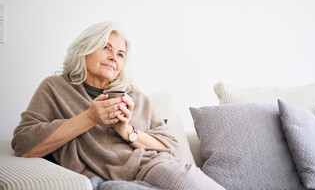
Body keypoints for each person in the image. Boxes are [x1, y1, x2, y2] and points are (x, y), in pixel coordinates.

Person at [11, 21, 224, 190]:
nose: (114, 57)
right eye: (106, 48)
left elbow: (173, 149)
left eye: (120, 54)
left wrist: (128, 131)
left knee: (185, 180)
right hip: (99, 178)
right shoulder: (55, 88)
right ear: (85, 49)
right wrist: (90, 118)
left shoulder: (136, 96)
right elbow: (24, 145)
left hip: (150, 166)